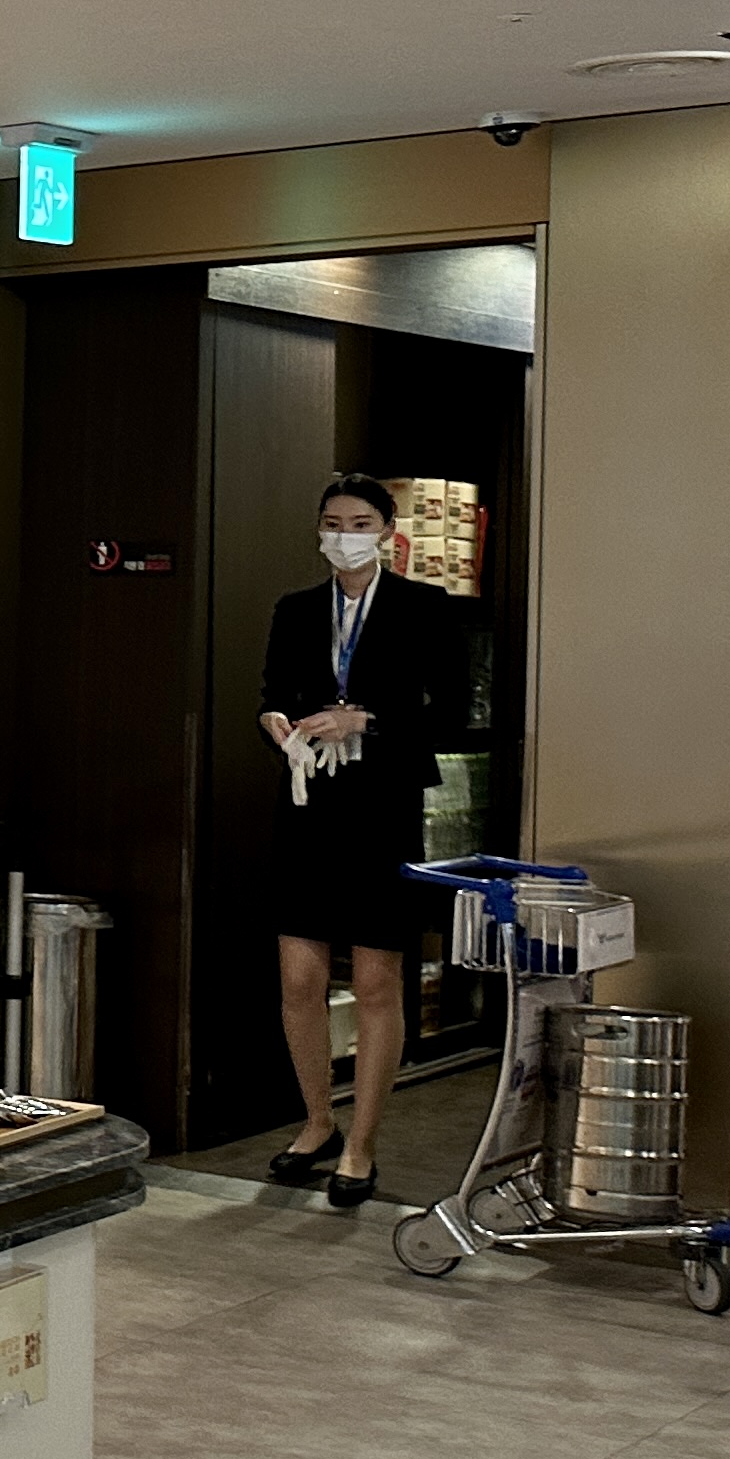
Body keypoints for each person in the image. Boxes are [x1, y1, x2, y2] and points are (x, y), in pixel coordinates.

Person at [256, 476, 467, 1210]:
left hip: (382, 808)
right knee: (299, 978)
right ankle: (317, 1121)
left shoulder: (423, 607)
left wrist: (366, 722)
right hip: (309, 806)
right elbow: (272, 693)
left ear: (386, 530)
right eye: (332, 522)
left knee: (377, 981)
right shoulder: (296, 609)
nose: (343, 534)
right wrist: (276, 723)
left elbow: (452, 709)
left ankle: (363, 1142)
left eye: (358, 522)